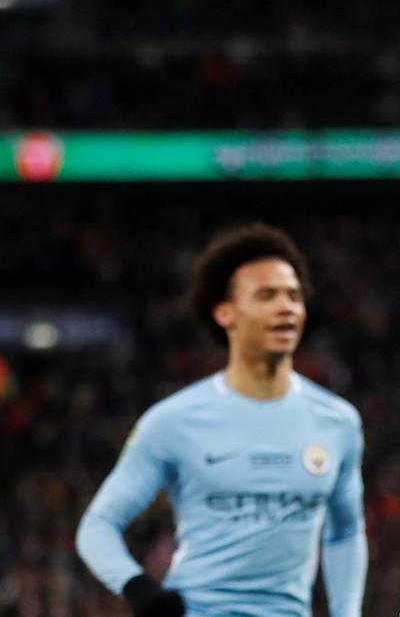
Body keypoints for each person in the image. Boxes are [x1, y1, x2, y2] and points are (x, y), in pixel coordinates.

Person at [76, 223, 366, 617]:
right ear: (224, 312)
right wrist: (139, 588)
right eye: (267, 296)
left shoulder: (338, 422)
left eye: (294, 296)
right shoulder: (172, 422)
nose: (286, 307)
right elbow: (98, 525)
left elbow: (345, 533)